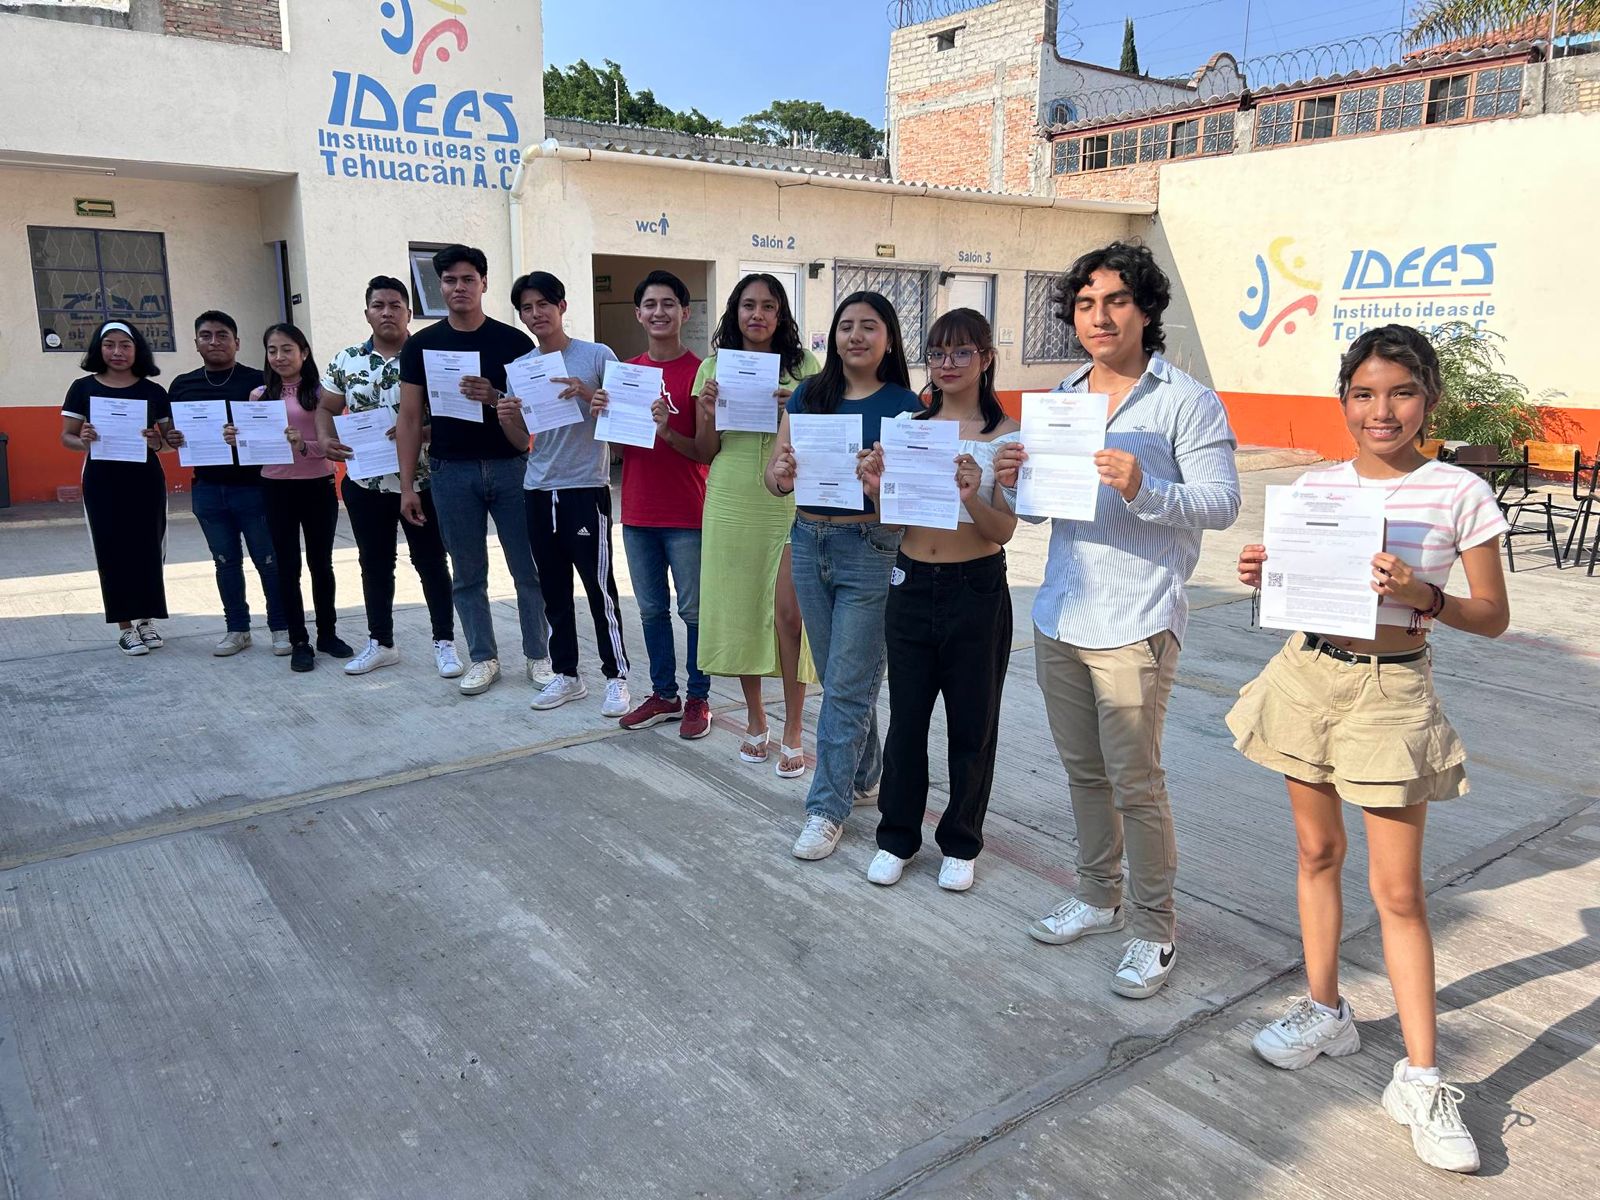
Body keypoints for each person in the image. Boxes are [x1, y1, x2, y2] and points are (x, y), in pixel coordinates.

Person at [1229, 325, 1509, 1175]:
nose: (1380, 410)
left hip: (1391, 693)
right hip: (1308, 674)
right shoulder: (1318, 485)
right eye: (1363, 393)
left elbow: (1492, 614)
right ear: (1342, 400)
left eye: (1399, 392)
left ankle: (1421, 1075)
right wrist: (1265, 573)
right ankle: (1326, 1011)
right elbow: (1297, 588)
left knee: (1398, 891)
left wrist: (1424, 593)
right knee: (1317, 852)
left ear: (1429, 399)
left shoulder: (1457, 491)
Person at [999, 242, 1240, 999]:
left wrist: (1146, 485)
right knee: (1083, 773)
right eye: (1084, 304)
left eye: (1115, 301)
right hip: (1062, 610)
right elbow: (1038, 508)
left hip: (1136, 618)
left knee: (1137, 782)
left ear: (1146, 311)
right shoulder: (1065, 397)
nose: (1098, 317)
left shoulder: (1185, 402)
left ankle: (1152, 929)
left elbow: (1222, 502)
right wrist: (1011, 484)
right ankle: (1098, 895)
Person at [854, 309, 1020, 893]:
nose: (947, 364)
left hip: (976, 587)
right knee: (907, 723)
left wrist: (973, 495)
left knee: (973, 723)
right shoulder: (908, 425)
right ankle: (897, 837)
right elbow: (893, 521)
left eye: (961, 353)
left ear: (986, 358)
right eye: (938, 353)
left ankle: (961, 841)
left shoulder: (1006, 437)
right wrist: (875, 489)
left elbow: (1003, 531)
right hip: (910, 582)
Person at [765, 291, 924, 861]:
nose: (855, 336)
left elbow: (913, 503)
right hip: (809, 542)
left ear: (888, 338)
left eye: (869, 326)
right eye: (846, 326)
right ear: (833, 337)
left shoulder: (908, 406)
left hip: (872, 548)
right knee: (842, 681)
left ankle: (825, 808)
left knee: (850, 685)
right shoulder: (811, 393)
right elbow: (774, 477)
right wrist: (780, 473)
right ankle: (865, 777)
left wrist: (884, 487)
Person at [397, 244, 552, 698]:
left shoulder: (514, 342)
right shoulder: (422, 345)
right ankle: (483, 658)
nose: (458, 287)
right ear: (439, 287)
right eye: (449, 280)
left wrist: (496, 395)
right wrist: (408, 485)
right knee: (466, 573)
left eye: (468, 279)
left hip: (511, 468)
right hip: (450, 471)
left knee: (528, 569)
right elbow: (408, 419)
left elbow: (531, 416)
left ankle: (538, 656)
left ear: (484, 283)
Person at [692, 275, 821, 778]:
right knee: (743, 608)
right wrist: (707, 412)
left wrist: (800, 409)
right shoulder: (712, 367)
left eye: (769, 306)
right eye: (749, 305)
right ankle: (754, 719)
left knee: (790, 616)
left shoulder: (805, 367)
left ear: (781, 313)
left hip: (788, 498)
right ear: (735, 311)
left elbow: (822, 437)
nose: (758, 315)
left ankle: (793, 726)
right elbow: (705, 452)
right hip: (729, 498)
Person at [317, 276, 462, 680]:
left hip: (424, 482)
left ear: (408, 312)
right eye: (378, 305)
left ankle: (444, 642)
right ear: (367, 312)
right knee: (375, 564)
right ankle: (381, 642)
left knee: (431, 562)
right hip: (367, 483)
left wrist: (426, 431)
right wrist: (326, 437)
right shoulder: (346, 360)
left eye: (395, 305)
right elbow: (325, 407)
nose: (387, 312)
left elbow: (454, 411)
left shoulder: (429, 356)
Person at [501, 270, 630, 716]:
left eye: (543, 305)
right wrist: (506, 416)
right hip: (537, 487)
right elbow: (522, 442)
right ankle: (567, 675)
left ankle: (616, 676)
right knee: (552, 587)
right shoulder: (522, 370)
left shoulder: (596, 355)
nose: (536, 314)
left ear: (562, 307)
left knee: (599, 587)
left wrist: (587, 391)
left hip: (584, 487)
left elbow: (625, 413)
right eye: (526, 308)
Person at [600, 270, 712, 738]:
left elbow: (706, 452)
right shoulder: (626, 373)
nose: (659, 312)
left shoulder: (701, 373)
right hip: (639, 512)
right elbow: (623, 451)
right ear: (639, 314)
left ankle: (698, 698)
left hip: (688, 512)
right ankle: (664, 694)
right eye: (650, 304)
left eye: (669, 304)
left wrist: (668, 429)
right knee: (650, 610)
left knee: (693, 612)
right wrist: (605, 416)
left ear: (685, 313)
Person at [165, 311, 285, 657]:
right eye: (206, 336)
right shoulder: (182, 384)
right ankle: (237, 629)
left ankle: (280, 626)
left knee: (268, 560)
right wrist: (173, 437)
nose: (214, 342)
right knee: (224, 561)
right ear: (196, 342)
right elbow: (175, 432)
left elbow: (274, 429)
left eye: (222, 335)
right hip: (207, 488)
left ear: (237, 342)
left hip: (254, 487)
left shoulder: (260, 380)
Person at [59, 321, 172, 655]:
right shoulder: (82, 388)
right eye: (110, 344)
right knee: (112, 549)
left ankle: (147, 620)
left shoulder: (154, 392)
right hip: (102, 480)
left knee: (149, 548)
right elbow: (67, 437)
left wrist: (156, 441)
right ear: (99, 349)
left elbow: (169, 444)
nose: (118, 352)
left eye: (126, 344)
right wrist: (83, 441)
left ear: (138, 349)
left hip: (145, 480)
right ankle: (125, 626)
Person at [245, 324, 351, 673]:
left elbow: (333, 448)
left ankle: (327, 634)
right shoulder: (259, 396)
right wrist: (238, 440)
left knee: (321, 565)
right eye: (272, 350)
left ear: (304, 352)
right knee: (287, 567)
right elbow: (255, 447)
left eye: (287, 349)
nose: (279, 356)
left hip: (317, 484)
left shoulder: (322, 394)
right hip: (276, 487)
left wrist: (303, 446)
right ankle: (299, 641)